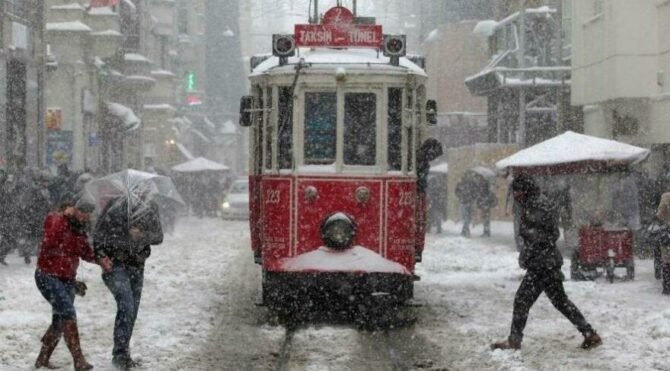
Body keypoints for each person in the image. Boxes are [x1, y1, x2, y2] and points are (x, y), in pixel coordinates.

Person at [491, 173, 602, 351]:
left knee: (522, 300)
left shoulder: (537, 205)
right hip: (546, 261)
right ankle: (589, 333)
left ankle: (514, 340)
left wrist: (529, 245)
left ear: (525, 190)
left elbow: (544, 234)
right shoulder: (536, 202)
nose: (516, 196)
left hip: (541, 264)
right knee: (560, 301)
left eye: (517, 192)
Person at [34, 195, 112, 370]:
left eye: (88, 214)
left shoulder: (79, 230)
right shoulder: (55, 219)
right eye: (83, 212)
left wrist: (100, 260)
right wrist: (63, 217)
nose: (86, 216)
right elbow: (50, 240)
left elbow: (85, 252)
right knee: (68, 313)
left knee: (60, 320)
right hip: (48, 276)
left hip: (67, 280)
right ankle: (79, 359)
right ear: (74, 209)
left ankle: (42, 360)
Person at [94, 182, 164, 370]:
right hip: (116, 265)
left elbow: (158, 236)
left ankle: (124, 352)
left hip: (137, 265)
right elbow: (98, 235)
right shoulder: (115, 207)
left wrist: (141, 235)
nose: (141, 194)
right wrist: (102, 254)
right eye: (137, 190)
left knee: (132, 310)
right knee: (126, 305)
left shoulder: (150, 208)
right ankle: (119, 354)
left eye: (144, 191)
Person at [654, 191, 670, 295]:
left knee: (667, 259)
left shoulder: (666, 196)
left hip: (669, 230)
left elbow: (660, 215)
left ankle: (667, 286)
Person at [455, 173, 477, 237]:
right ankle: (466, 231)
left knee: (467, 218)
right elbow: (456, 191)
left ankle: (464, 231)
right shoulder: (469, 184)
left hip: (466, 202)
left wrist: (460, 196)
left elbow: (456, 191)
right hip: (466, 202)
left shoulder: (463, 184)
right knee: (467, 218)